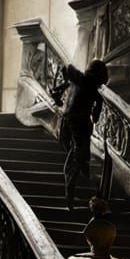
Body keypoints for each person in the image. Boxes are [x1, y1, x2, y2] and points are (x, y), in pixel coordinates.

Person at [52, 59, 108, 210]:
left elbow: (67, 67)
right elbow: (96, 117)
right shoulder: (93, 90)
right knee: (78, 155)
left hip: (68, 120)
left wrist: (61, 88)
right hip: (80, 123)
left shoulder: (78, 78)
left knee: (76, 154)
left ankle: (76, 184)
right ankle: (79, 176)